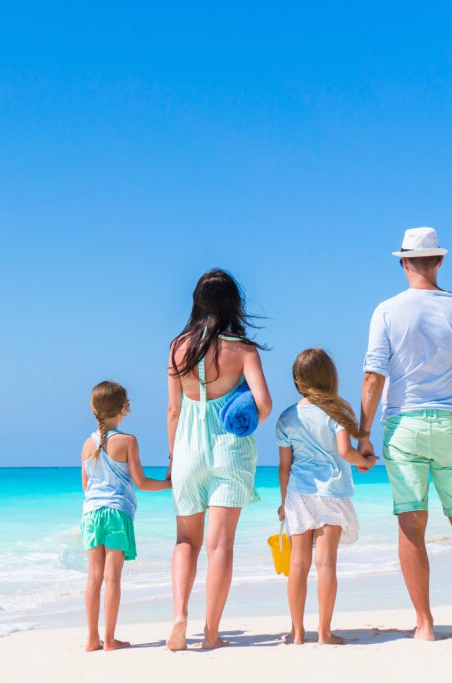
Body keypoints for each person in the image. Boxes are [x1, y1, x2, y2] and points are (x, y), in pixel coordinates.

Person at [357, 227, 452, 641]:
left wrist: (363, 435)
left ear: (404, 262)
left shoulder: (386, 311)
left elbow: (373, 377)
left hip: (404, 426)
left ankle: (424, 624)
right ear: (440, 261)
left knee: (412, 524)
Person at [165, 269, 273, 650]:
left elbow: (173, 410)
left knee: (185, 540)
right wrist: (242, 414)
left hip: (187, 450)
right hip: (229, 448)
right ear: (233, 304)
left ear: (197, 302)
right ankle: (211, 633)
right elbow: (264, 404)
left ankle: (180, 615)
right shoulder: (243, 350)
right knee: (220, 545)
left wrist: (173, 459)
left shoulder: (177, 348)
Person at [276, 348, 377, 645]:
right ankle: (324, 632)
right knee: (326, 564)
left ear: (297, 379)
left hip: (299, 494)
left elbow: (284, 467)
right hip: (331, 493)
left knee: (297, 564)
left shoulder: (287, 417)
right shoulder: (336, 411)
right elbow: (345, 452)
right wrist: (366, 461)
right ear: (330, 376)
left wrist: (284, 502)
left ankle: (297, 632)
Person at [81, 380, 171, 652]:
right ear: (124, 408)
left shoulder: (86, 445)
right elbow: (141, 483)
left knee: (94, 578)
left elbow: (86, 487)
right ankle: (109, 639)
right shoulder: (128, 441)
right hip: (117, 514)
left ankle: (92, 639)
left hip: (90, 513)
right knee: (113, 578)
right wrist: (170, 484)